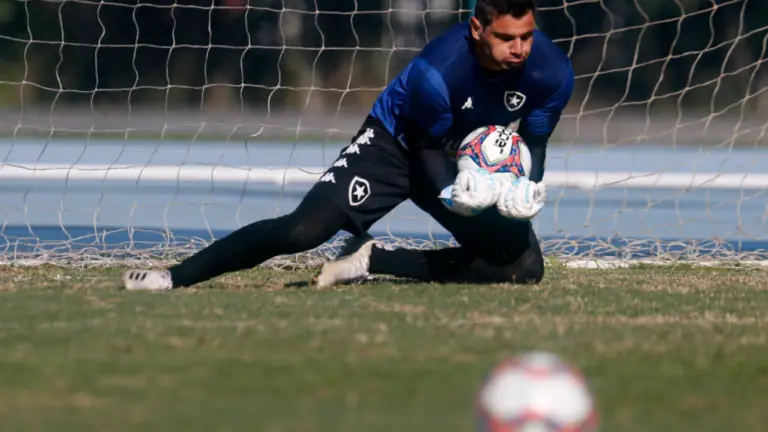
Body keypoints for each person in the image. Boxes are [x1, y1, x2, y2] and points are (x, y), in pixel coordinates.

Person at [122, 0, 574, 291]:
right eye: (506, 38)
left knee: (522, 267)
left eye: (527, 36)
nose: (520, 49)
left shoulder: (552, 73)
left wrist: (523, 187)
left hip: (462, 157)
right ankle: (172, 277)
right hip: (396, 146)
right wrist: (455, 194)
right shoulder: (437, 72)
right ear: (477, 29)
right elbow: (423, 147)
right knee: (301, 231)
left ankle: (374, 259)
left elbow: (534, 140)